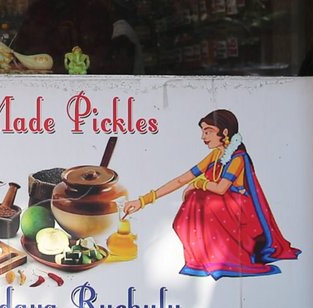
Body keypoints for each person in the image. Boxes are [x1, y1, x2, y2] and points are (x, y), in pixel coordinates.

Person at [122, 108, 299, 279]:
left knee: (199, 198)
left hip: (240, 210)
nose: (203, 137)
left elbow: (221, 188)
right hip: (223, 207)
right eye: (203, 132)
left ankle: (217, 258)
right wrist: (142, 201)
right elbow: (182, 179)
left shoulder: (238, 158)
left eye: (208, 131)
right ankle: (202, 257)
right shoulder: (215, 155)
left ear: (225, 132)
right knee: (196, 199)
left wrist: (198, 183)